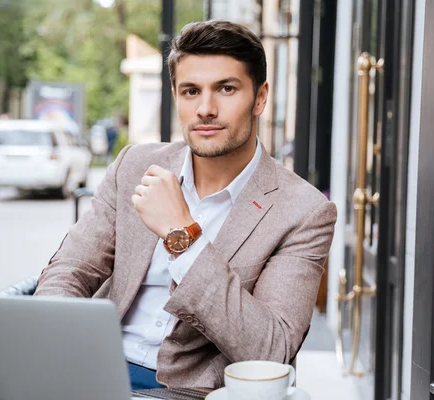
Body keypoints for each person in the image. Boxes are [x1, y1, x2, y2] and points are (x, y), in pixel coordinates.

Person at [34, 20, 337, 391]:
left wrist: (184, 236)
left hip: (190, 393)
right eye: (191, 91)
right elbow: (69, 271)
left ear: (260, 97)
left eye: (226, 89)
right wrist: (57, 351)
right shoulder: (134, 166)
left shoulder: (303, 211)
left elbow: (271, 350)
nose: (205, 109)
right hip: (94, 372)